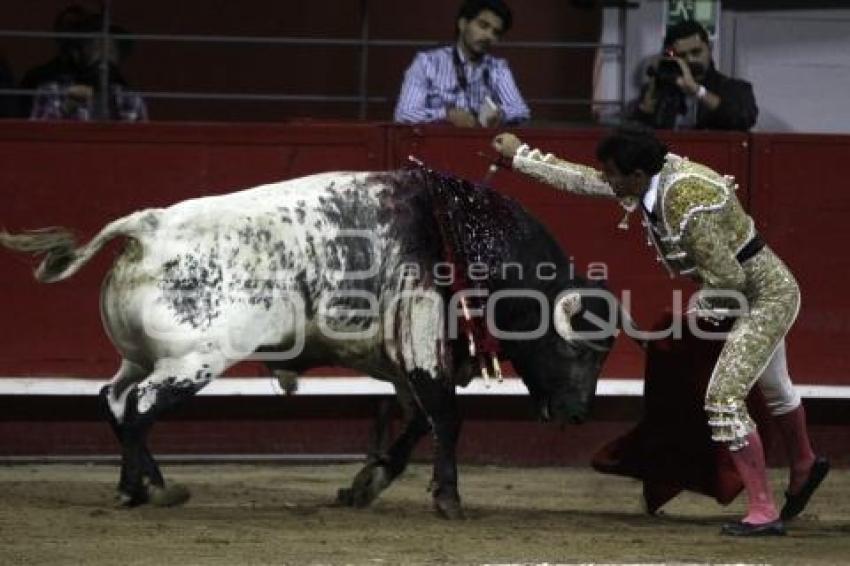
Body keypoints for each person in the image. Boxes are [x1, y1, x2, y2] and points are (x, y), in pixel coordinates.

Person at [491, 124, 829, 536]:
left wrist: (694, 316)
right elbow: (585, 180)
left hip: (764, 299)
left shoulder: (684, 205)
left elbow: (729, 279)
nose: (607, 179)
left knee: (723, 399)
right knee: (776, 388)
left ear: (635, 176)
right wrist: (519, 157)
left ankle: (762, 510)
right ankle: (804, 465)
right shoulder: (650, 175)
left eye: (613, 173)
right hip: (748, 291)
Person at [394, 0, 529, 127]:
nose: (489, 36)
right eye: (483, 25)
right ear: (463, 24)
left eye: (496, 32)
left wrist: (501, 115)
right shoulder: (427, 63)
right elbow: (403, 115)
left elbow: (521, 111)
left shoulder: (498, 68)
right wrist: (446, 115)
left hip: (481, 146)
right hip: (436, 146)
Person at [21, 8, 147, 121]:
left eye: (111, 51)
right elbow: (40, 136)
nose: (104, 58)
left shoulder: (130, 98)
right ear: (77, 53)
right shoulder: (54, 92)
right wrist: (70, 103)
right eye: (97, 48)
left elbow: (144, 141)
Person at [631, 20, 757, 131]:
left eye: (696, 52)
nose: (690, 60)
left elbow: (744, 118)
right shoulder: (661, 91)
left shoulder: (735, 89)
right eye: (682, 55)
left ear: (710, 48)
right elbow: (636, 137)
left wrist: (698, 91)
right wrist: (646, 107)